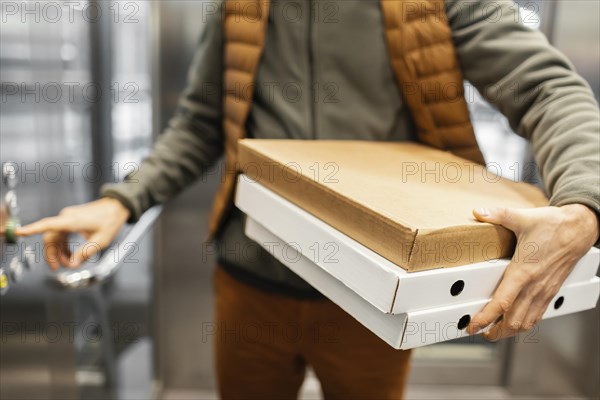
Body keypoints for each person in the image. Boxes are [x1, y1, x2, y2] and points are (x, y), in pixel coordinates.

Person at [17, 0, 599, 398]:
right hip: (251, 280)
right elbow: (199, 121)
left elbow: (548, 89)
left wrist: (581, 205)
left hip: (375, 297)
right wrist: (123, 200)